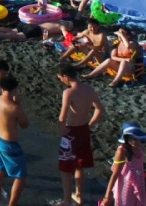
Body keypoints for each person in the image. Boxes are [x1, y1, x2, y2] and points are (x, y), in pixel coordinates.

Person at [56, 63, 105, 206]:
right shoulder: (89, 89)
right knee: (79, 165)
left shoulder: (68, 92)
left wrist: (61, 130)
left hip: (71, 132)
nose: (61, 81)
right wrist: (90, 124)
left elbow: (62, 115)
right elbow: (100, 110)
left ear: (65, 76)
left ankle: (66, 200)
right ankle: (79, 196)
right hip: (83, 130)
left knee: (66, 168)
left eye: (60, 78)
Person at [0, 76, 29, 206]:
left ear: (0, 88)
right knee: (21, 176)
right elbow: (25, 125)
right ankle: (12, 204)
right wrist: (19, 104)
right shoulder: (14, 108)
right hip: (9, 145)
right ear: (15, 90)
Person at [99, 122, 146, 206]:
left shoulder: (141, 149)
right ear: (126, 139)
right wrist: (107, 196)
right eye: (130, 138)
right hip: (125, 186)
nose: (134, 141)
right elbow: (115, 174)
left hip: (139, 182)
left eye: (136, 138)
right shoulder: (122, 151)